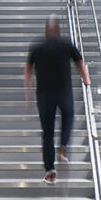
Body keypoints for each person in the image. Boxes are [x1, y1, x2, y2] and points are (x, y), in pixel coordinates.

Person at [24, 14, 90, 185]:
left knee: (48, 133)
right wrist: (86, 80)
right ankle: (64, 147)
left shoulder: (37, 47)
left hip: (45, 95)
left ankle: (50, 170)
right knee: (68, 116)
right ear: (58, 31)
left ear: (46, 31)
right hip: (63, 92)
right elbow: (80, 62)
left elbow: (27, 71)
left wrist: (29, 94)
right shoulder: (66, 44)